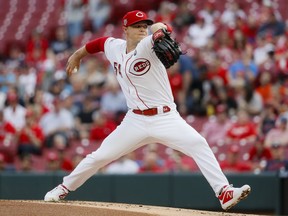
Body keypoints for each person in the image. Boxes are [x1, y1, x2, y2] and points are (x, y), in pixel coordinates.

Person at [44, 10, 251, 211]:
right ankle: (63, 188)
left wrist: (159, 28)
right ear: (125, 29)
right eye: (137, 26)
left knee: (199, 144)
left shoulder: (148, 45)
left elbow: (163, 28)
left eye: (144, 26)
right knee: (99, 157)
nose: (143, 29)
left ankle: (223, 192)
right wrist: (78, 55)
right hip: (135, 120)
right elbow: (98, 43)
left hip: (166, 117)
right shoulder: (113, 46)